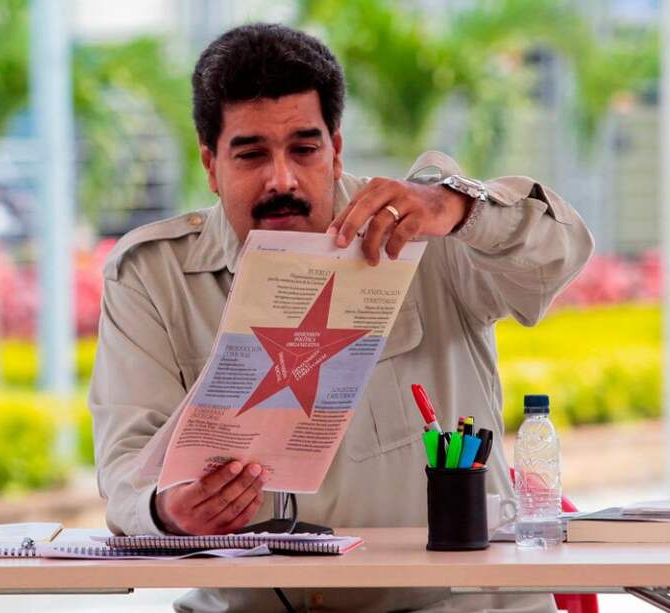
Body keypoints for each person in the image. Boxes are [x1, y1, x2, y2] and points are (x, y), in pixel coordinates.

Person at [89, 23, 593, 613]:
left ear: (336, 147)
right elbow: (126, 466)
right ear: (209, 162)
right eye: (251, 154)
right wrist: (167, 511)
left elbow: (563, 251)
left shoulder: (425, 228)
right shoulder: (151, 276)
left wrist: (461, 208)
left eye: (304, 149)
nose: (282, 179)